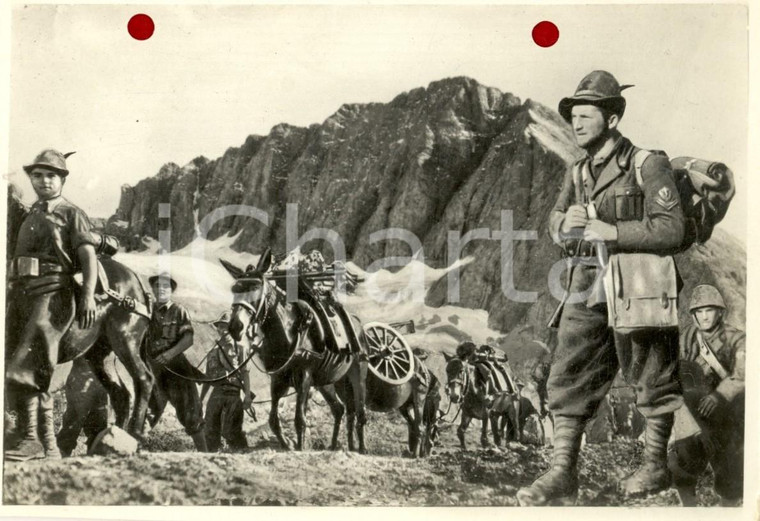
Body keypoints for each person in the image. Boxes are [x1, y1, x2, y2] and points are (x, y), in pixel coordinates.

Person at [517, 71, 686, 505]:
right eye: (573, 116)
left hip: (638, 283)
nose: (576, 123)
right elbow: (555, 221)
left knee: (651, 373)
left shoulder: (647, 163)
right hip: (586, 282)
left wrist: (611, 230)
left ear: (612, 120)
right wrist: (563, 226)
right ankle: (562, 472)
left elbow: (671, 229)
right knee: (568, 373)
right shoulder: (577, 171)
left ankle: (654, 465)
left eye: (586, 115)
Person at [5, 149, 99, 461]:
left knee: (27, 359)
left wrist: (86, 295)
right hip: (22, 292)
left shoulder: (72, 213)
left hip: (53, 292)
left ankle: (31, 438)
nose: (44, 180)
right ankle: (45, 445)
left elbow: (87, 256)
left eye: (51, 175)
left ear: (62, 180)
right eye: (37, 175)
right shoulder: (31, 213)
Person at [668, 284, 744, 506]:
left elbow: (743, 372)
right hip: (693, 411)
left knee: (731, 470)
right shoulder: (687, 337)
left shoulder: (736, 338)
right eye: (698, 312)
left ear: (720, 311)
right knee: (683, 461)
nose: (704, 317)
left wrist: (719, 396)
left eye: (709, 310)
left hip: (727, 412)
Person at [146, 272, 208, 452]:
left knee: (191, 414)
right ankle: (129, 453)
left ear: (171, 290)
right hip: (154, 369)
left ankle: (205, 456)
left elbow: (188, 339)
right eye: (157, 286)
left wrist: (170, 354)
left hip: (177, 368)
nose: (161, 289)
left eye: (165, 286)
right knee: (146, 413)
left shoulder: (179, 311)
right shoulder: (147, 313)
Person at [201, 311, 253, 452]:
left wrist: (247, 396)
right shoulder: (212, 350)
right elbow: (208, 377)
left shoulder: (240, 347)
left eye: (225, 326)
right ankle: (212, 458)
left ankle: (243, 455)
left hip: (233, 394)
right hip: (217, 393)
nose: (222, 329)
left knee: (231, 431)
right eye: (220, 326)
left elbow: (245, 373)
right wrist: (200, 399)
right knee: (209, 430)